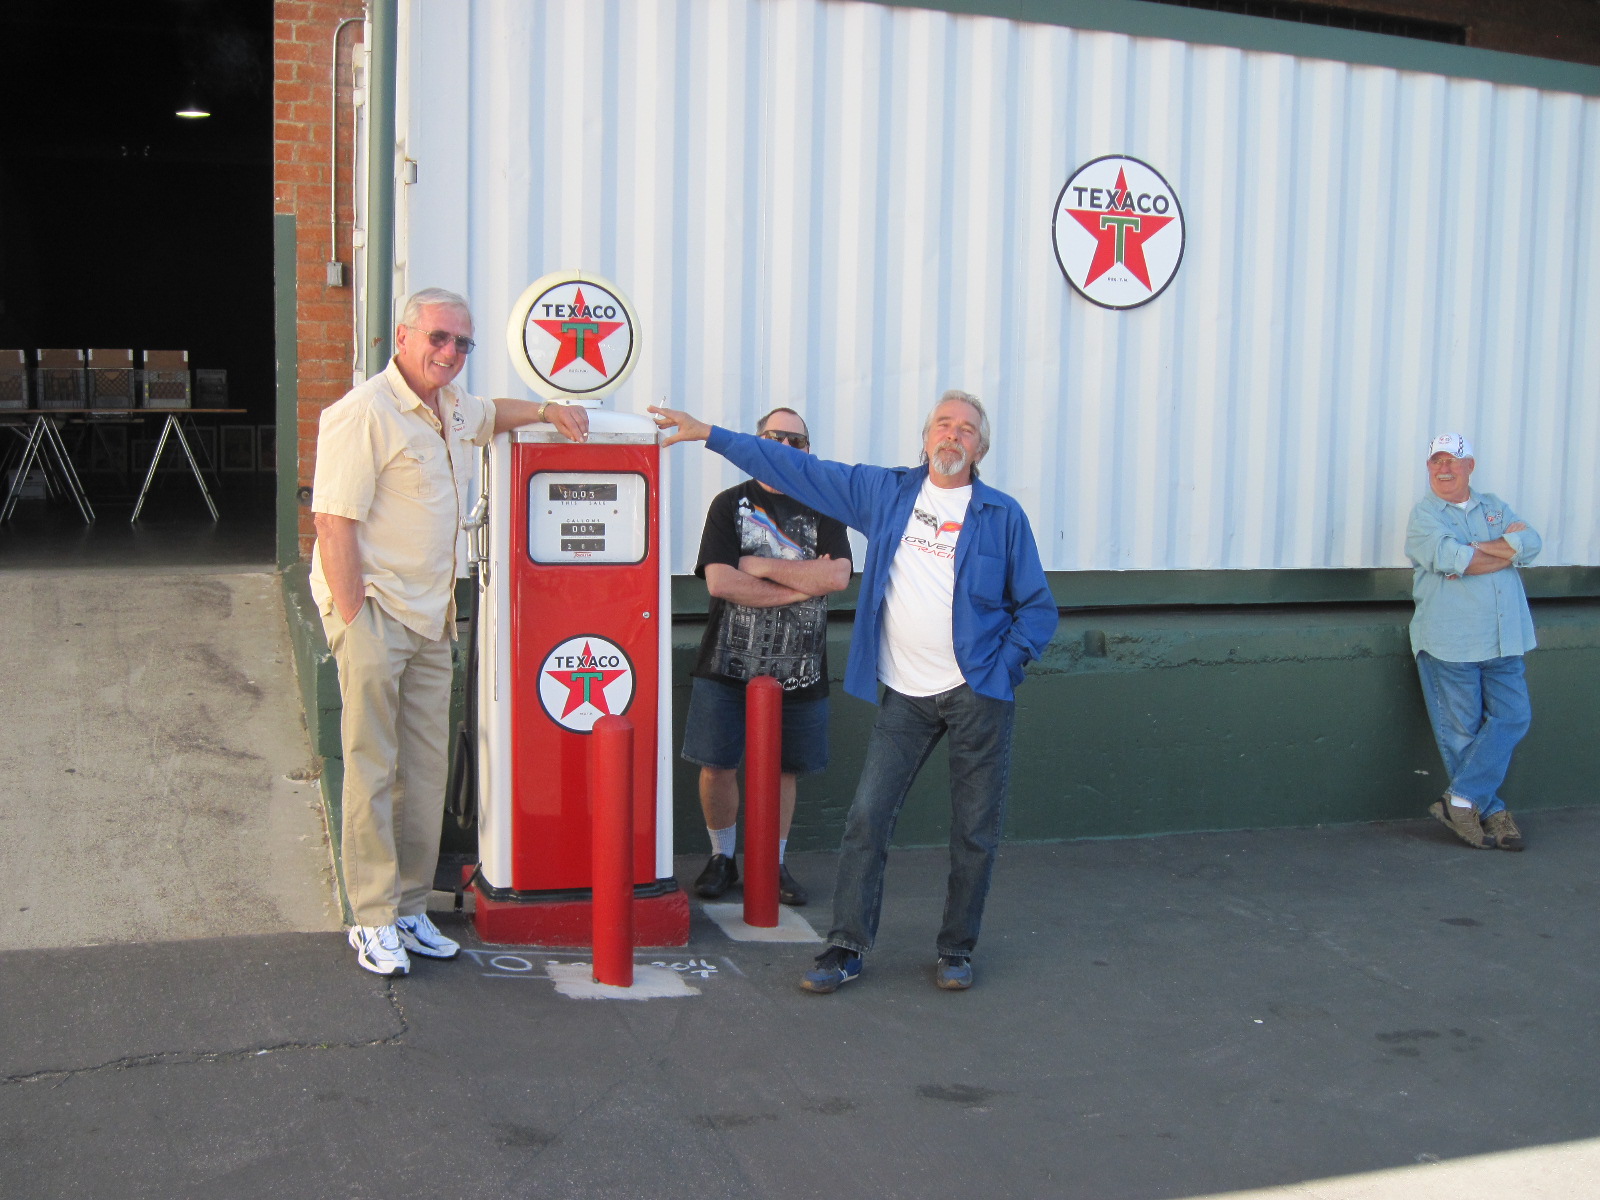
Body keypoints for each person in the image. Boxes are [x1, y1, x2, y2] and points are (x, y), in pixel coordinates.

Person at [651, 390, 1058, 992]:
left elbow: (1037, 609)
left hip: (978, 695)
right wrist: (709, 433)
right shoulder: (887, 494)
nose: (953, 436)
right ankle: (845, 947)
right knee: (867, 819)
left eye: (967, 430)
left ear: (981, 447)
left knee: (974, 829)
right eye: (943, 425)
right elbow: (799, 469)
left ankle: (956, 948)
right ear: (924, 439)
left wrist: (1002, 669)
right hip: (905, 696)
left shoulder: (1002, 515)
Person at [311, 287, 589, 976]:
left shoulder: (452, 408)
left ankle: (409, 905)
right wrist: (353, 619)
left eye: (462, 343)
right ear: (402, 338)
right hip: (376, 610)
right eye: (438, 338)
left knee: (425, 769)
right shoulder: (363, 413)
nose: (450, 353)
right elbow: (333, 522)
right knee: (373, 767)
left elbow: (496, 415)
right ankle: (371, 916)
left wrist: (550, 408)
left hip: (434, 615)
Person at [683, 407, 852, 908]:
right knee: (717, 764)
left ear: (807, 451)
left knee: (784, 771)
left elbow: (838, 577)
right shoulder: (728, 505)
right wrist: (801, 584)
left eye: (796, 441)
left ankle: (772, 862)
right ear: (757, 442)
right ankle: (722, 857)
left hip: (801, 669)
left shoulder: (825, 507)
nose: (785, 447)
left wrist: (756, 564)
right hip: (726, 663)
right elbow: (720, 582)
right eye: (774, 438)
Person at [1405, 433, 1541, 852]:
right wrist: (1505, 550)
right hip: (1452, 641)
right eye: (1436, 462)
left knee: (1514, 716)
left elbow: (1531, 544)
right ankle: (1491, 809)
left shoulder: (1494, 507)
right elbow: (1453, 560)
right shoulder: (1425, 517)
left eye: (1452, 461)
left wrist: (1476, 550)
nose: (1443, 469)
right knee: (1463, 732)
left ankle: (1460, 801)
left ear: (1470, 465)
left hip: (1504, 637)